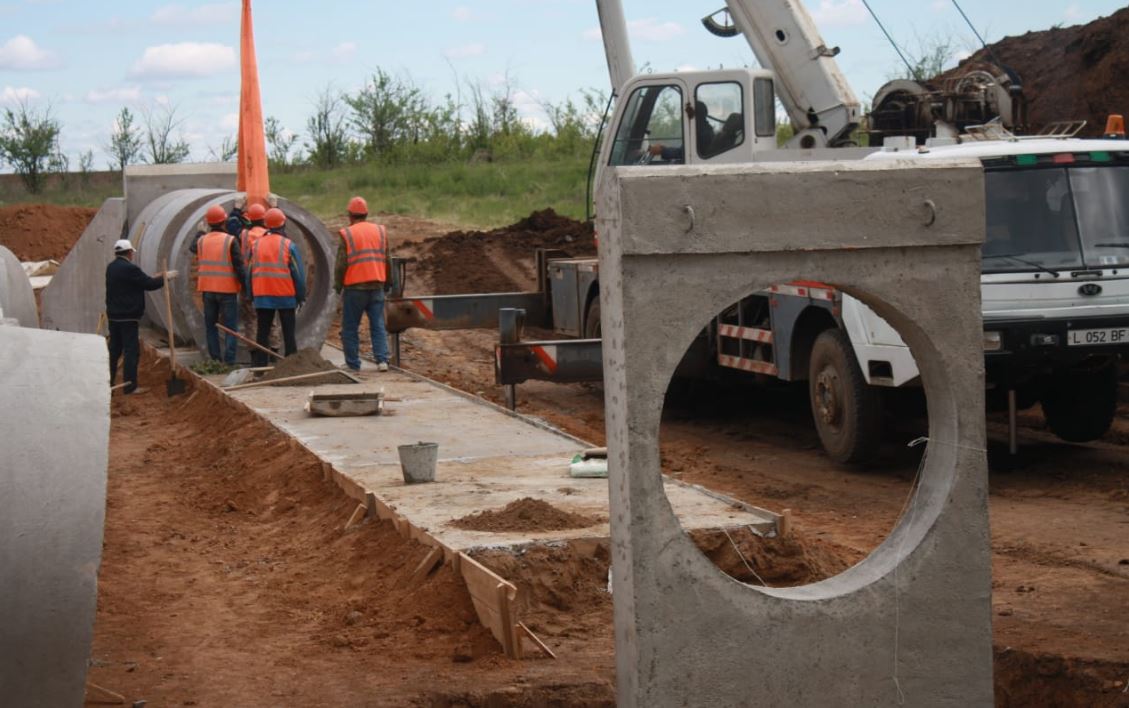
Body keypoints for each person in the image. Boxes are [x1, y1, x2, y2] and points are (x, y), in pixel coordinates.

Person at [105, 239, 176, 394]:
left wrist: (156, 277)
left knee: (114, 351)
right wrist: (165, 278)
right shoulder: (131, 269)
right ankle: (130, 387)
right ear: (130, 253)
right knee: (131, 351)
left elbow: (138, 281)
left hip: (114, 316)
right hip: (128, 316)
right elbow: (149, 284)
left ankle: (107, 383)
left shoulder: (111, 268)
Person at [335, 196, 392, 372]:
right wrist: (388, 282)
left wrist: (338, 286)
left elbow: (341, 264)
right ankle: (382, 360)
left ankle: (353, 363)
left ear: (350, 215)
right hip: (376, 285)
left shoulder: (347, 234)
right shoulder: (380, 231)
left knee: (350, 327)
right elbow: (387, 259)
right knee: (377, 324)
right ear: (366, 214)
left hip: (355, 288)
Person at [247, 207, 306, 366]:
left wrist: (251, 295)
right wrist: (301, 296)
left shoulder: (256, 245)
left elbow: (249, 272)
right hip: (285, 295)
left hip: (262, 296)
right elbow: (298, 274)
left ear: (267, 225)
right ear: (283, 224)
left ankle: (260, 367)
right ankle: (291, 365)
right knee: (288, 333)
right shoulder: (288, 245)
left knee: (262, 332)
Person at [191, 204, 246, 364]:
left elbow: (192, 247)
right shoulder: (230, 240)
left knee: (211, 326)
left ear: (208, 223)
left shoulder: (201, 241)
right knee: (230, 328)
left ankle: (215, 360)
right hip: (227, 290)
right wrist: (247, 288)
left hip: (208, 290)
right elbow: (239, 267)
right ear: (224, 222)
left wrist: (200, 231)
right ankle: (229, 361)